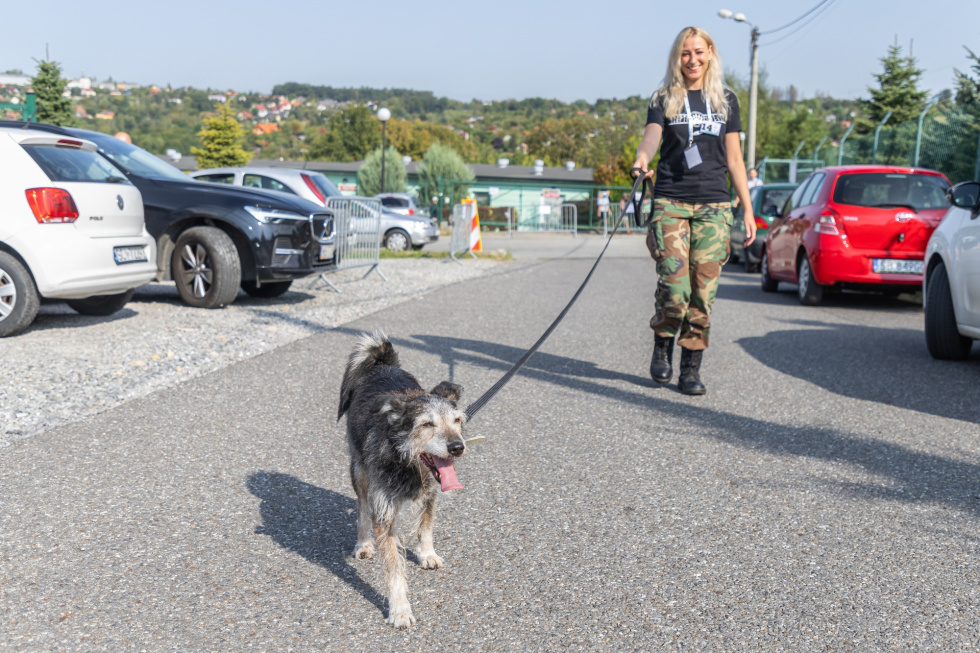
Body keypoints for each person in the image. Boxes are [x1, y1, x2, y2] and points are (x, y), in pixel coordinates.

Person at [632, 26, 756, 395]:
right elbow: (652, 136)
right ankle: (662, 343)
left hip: (715, 205)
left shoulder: (726, 100)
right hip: (670, 200)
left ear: (710, 53)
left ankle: (690, 367)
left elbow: (735, 159)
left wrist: (747, 209)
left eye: (699, 52)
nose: (692, 60)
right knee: (675, 287)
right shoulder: (663, 97)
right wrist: (642, 159)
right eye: (686, 53)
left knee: (703, 292)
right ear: (677, 57)